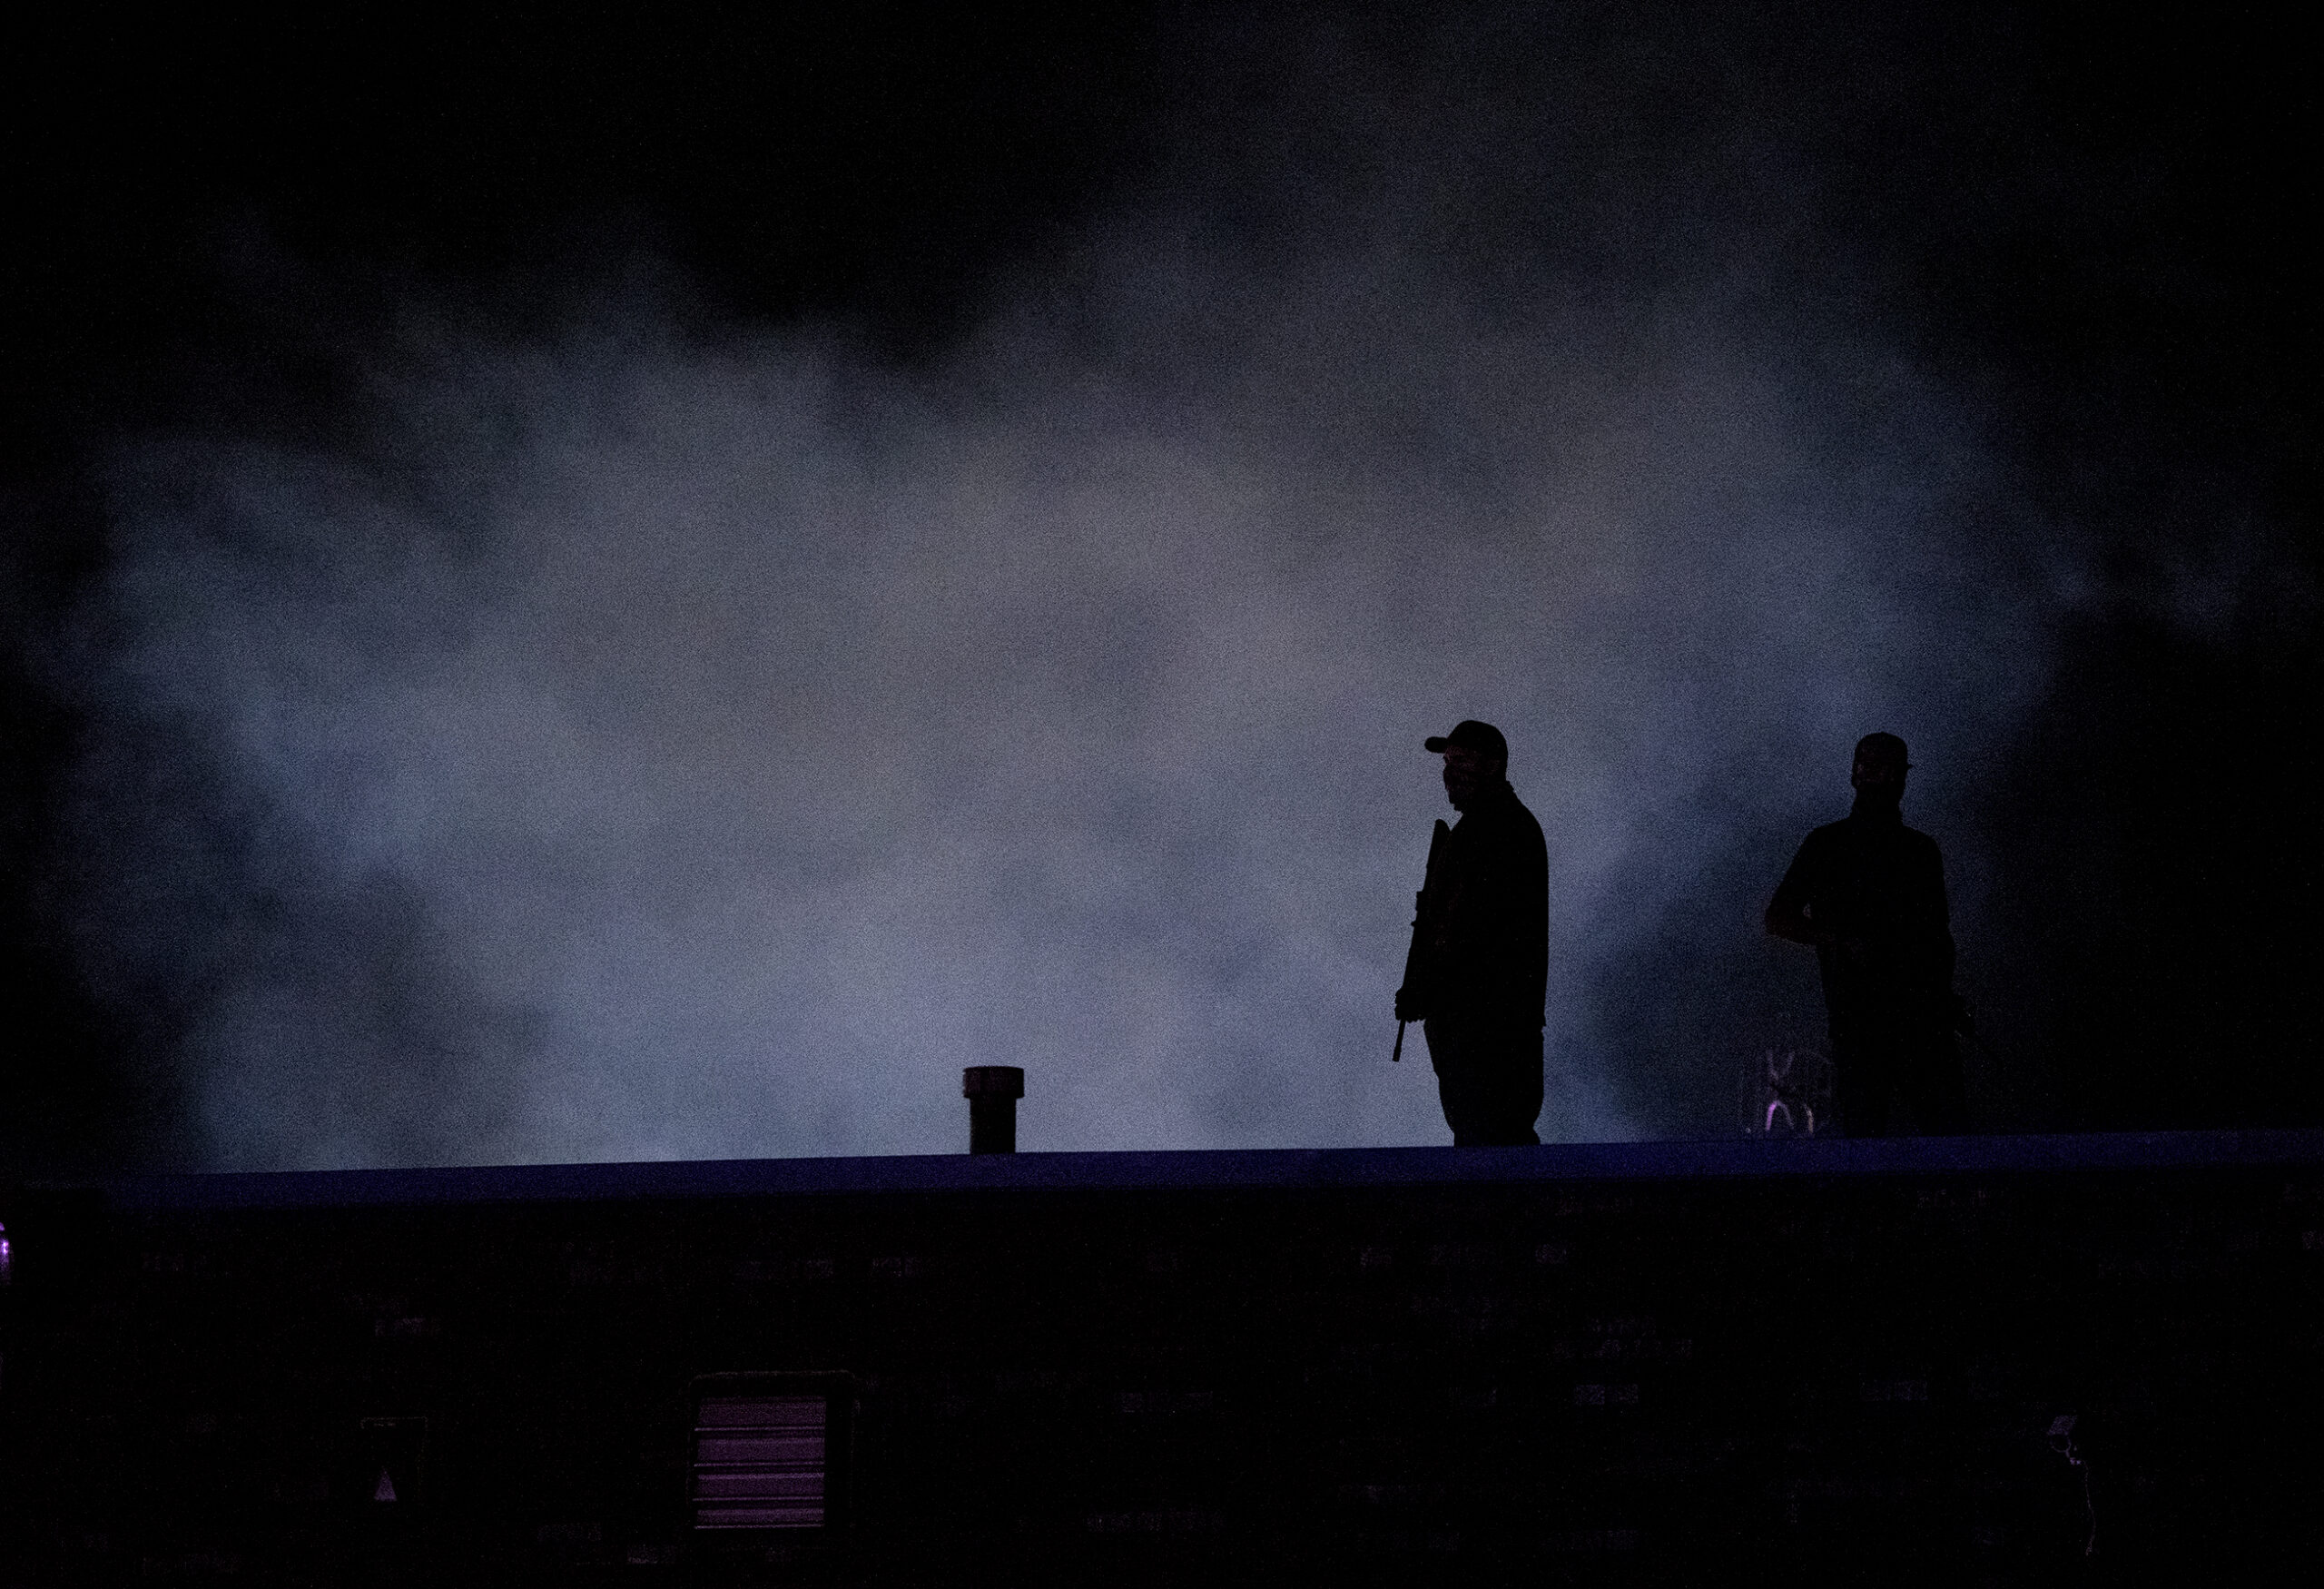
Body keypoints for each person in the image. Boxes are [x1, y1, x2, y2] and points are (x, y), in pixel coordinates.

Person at [1764, 732, 1965, 1136]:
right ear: (1855, 773)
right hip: (1863, 1022)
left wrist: (1942, 994)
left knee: (1931, 1131)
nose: (1873, 775)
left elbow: (1938, 940)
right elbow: (1779, 917)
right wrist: (1839, 939)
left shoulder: (1918, 852)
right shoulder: (1829, 844)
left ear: (1900, 778)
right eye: (1867, 765)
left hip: (1917, 1019)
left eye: (1882, 767)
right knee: (1879, 1134)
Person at [1394, 719, 1549, 1146]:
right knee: (1485, 1140)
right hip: (1477, 1028)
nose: (1448, 771)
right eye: (1447, 761)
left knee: (1495, 1144)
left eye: (1461, 759)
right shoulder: (1482, 830)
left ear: (1493, 765)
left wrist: (1430, 983)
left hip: (1494, 1030)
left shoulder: (1502, 830)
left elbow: (1479, 931)